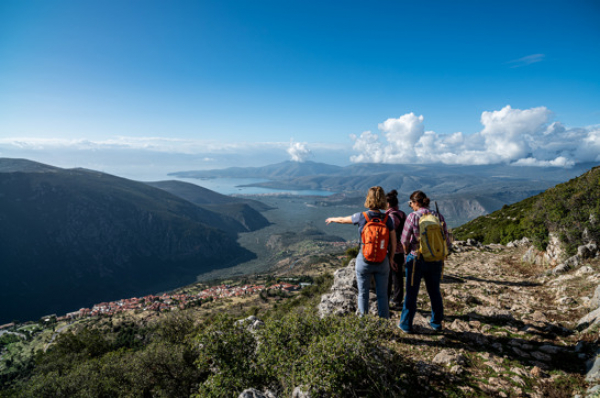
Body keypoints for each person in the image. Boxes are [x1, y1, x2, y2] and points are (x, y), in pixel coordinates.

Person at [326, 186, 396, 319]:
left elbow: (342, 220)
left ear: (368, 199)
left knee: (363, 294)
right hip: (382, 261)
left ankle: (363, 327)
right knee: (382, 295)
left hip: (364, 260)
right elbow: (393, 242)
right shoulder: (388, 219)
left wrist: (332, 219)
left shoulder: (361, 217)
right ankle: (384, 327)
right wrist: (391, 259)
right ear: (382, 200)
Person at [398, 190, 451, 333]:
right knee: (434, 291)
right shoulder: (438, 216)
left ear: (416, 202)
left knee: (411, 293)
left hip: (417, 259)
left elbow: (404, 240)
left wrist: (406, 253)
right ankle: (436, 322)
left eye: (411, 203)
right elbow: (446, 239)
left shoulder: (412, 217)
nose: (410, 206)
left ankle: (406, 324)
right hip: (435, 259)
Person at [385, 190, 406, 311]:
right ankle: (398, 300)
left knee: (388, 277)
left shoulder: (390, 217)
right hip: (400, 249)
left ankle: (387, 301)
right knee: (398, 276)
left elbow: (389, 235)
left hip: (391, 251)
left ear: (388, 204)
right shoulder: (402, 214)